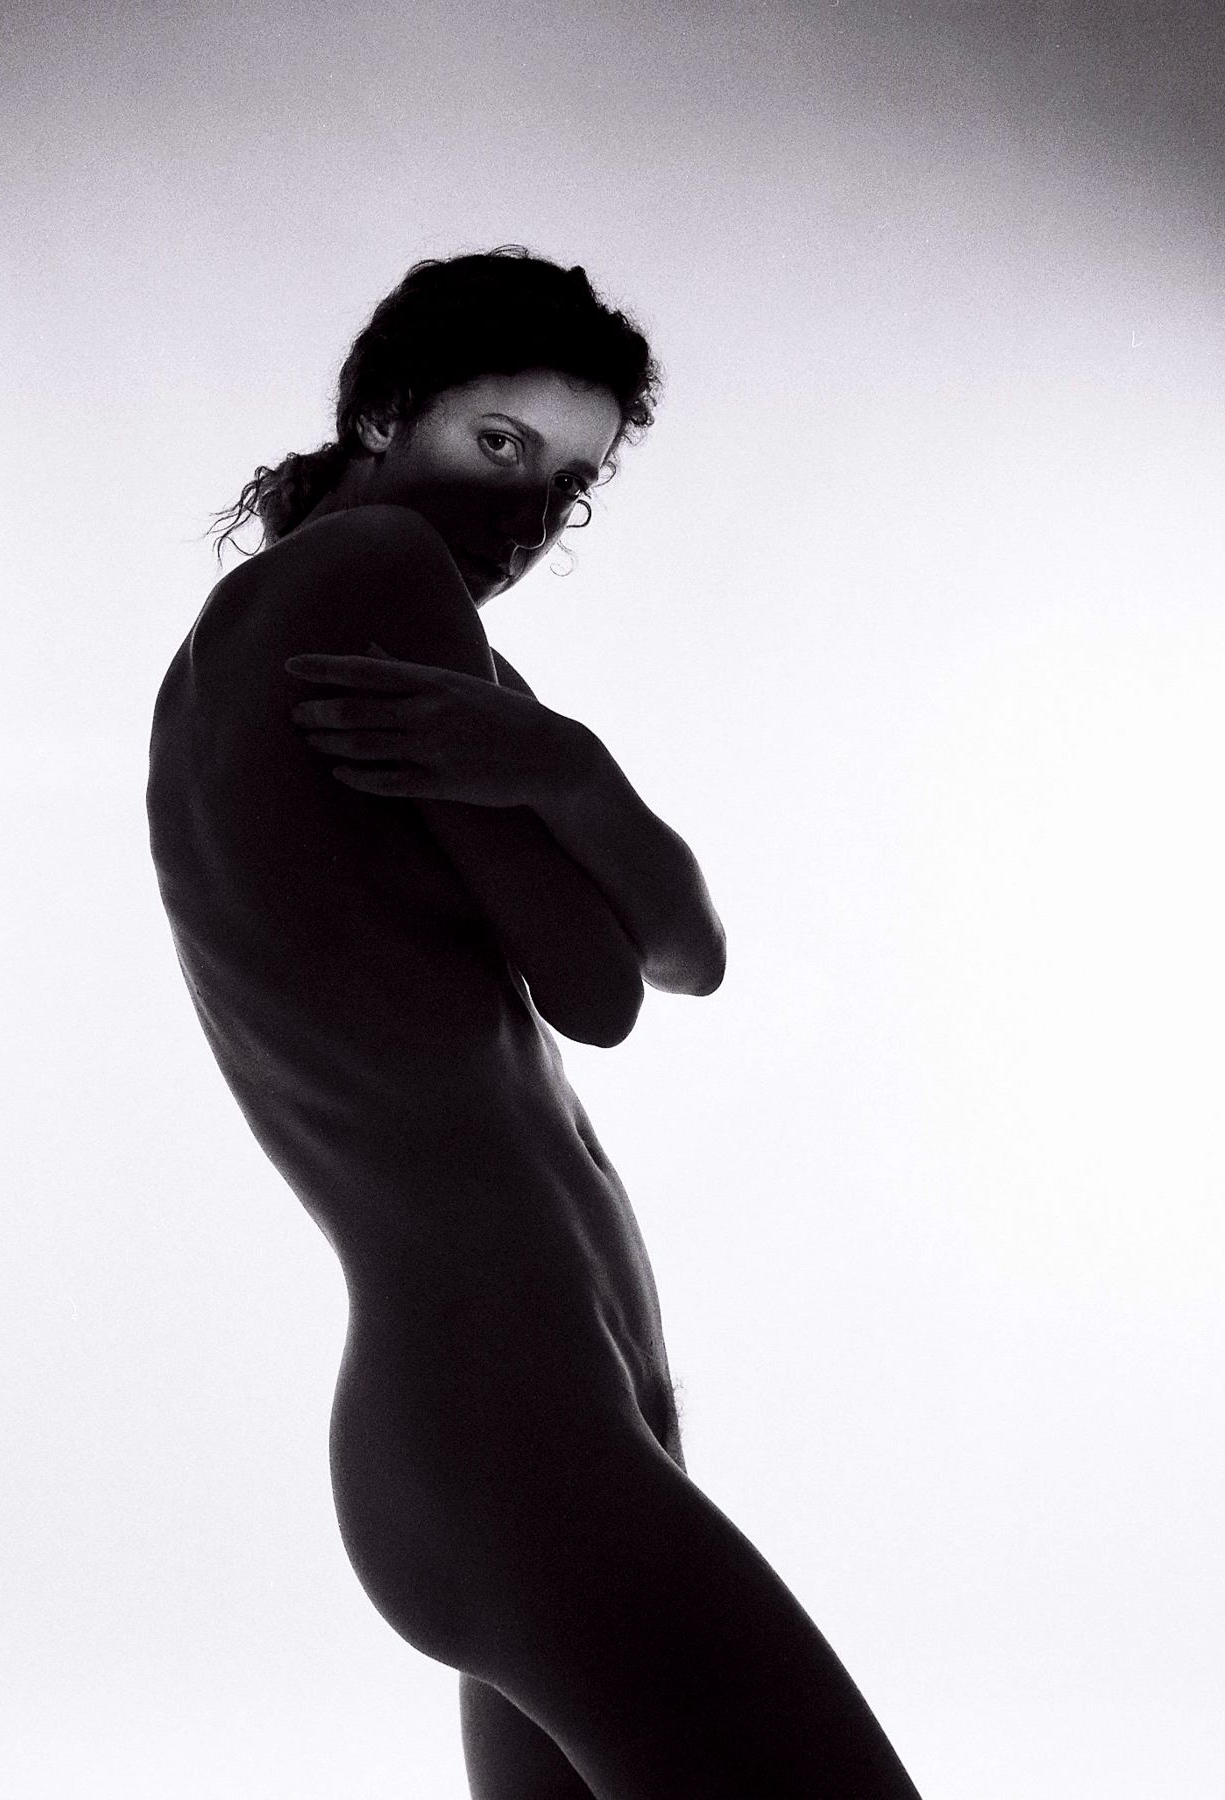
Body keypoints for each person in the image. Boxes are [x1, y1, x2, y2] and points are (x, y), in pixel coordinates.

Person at [146, 246, 922, 1800]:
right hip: (514, 1438)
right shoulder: (374, 583)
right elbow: (603, 986)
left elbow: (690, 951)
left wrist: (563, 765)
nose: (523, 516)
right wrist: (560, 780)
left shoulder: (336, 646)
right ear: (385, 409)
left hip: (507, 1434)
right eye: (498, 443)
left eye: (567, 486)